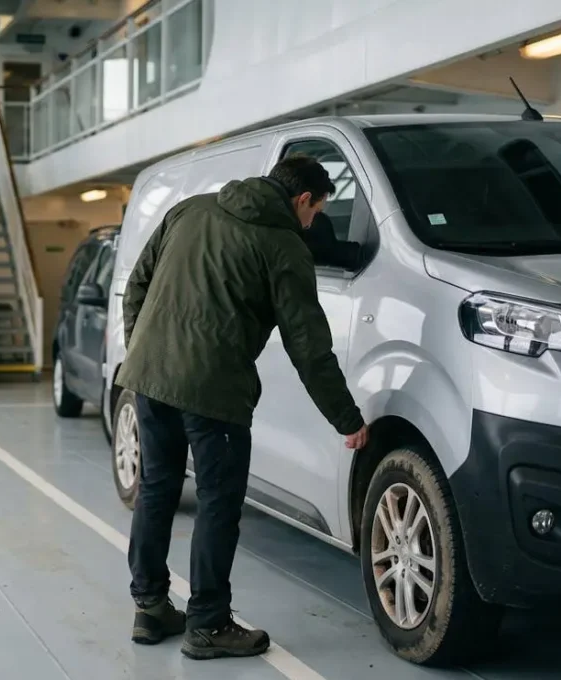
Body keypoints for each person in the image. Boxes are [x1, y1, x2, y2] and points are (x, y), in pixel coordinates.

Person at [116, 154, 369, 661]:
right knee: (217, 502)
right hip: (214, 392)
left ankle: (150, 608)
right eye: (316, 211)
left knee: (157, 488)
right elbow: (309, 346)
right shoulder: (283, 246)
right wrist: (347, 418)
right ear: (303, 200)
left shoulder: (191, 210)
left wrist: (144, 355)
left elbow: (137, 285)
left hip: (149, 376)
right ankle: (207, 625)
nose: (313, 222)